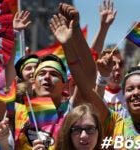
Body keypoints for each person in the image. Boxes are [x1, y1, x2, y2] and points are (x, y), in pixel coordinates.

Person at [50, 3, 140, 149]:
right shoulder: (116, 123)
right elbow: (86, 83)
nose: (136, 93)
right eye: (130, 89)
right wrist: (72, 37)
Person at [98, 48, 129, 118]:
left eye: (121, 64)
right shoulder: (97, 91)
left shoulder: (129, 94)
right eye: (113, 63)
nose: (118, 67)